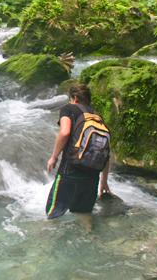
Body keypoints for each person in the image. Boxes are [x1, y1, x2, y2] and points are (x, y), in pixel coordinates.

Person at [46, 84, 111, 230]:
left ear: (74, 98)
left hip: (70, 171)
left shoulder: (69, 109)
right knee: (85, 215)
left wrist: (54, 157)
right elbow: (106, 150)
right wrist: (104, 181)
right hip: (92, 176)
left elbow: (64, 132)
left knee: (53, 214)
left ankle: (44, 249)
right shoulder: (97, 117)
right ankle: (90, 237)